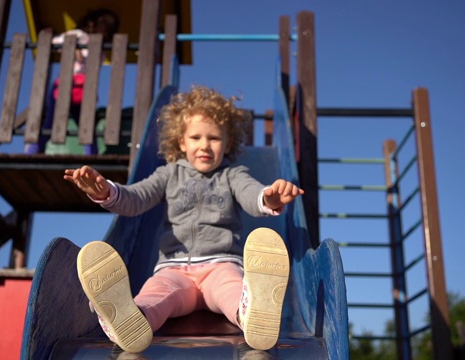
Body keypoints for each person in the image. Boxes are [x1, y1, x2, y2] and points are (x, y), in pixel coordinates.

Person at [64, 86, 304, 353]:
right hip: (174, 268)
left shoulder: (233, 175)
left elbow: (252, 195)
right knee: (158, 296)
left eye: (214, 138)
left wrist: (270, 198)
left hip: (221, 264)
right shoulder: (168, 174)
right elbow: (136, 198)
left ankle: (253, 315)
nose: (204, 145)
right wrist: (106, 191)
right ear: (182, 142)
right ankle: (132, 319)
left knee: (232, 290)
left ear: (227, 143)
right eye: (196, 137)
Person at [25, 8, 120, 155]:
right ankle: (33, 151)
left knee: (86, 125)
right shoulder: (79, 35)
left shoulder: (100, 50)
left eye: (110, 28)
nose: (107, 29)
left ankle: (91, 155)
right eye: (105, 24)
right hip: (66, 85)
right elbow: (56, 42)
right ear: (92, 23)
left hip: (83, 89)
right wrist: (71, 44)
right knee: (51, 122)